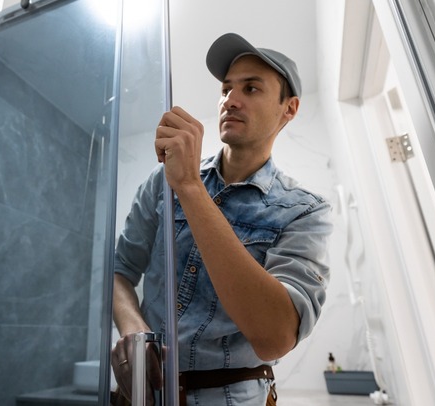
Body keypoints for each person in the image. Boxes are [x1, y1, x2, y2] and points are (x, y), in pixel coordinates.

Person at [111, 33, 333, 406]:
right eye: (226, 89)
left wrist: (190, 188)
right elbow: (119, 270)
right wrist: (134, 332)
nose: (231, 99)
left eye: (251, 88)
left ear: (289, 109)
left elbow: (274, 336)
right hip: (141, 393)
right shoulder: (161, 180)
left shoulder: (305, 211)